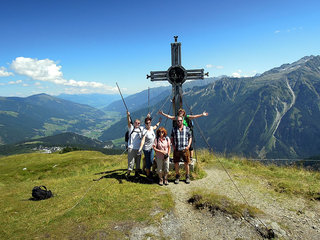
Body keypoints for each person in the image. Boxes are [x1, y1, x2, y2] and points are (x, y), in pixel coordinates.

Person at [138, 116, 161, 181]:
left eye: (149, 123)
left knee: (150, 161)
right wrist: (140, 148)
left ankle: (147, 172)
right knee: (149, 162)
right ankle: (148, 175)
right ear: (145, 124)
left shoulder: (151, 128)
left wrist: (159, 122)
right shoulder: (144, 131)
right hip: (146, 149)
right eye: (147, 123)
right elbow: (142, 140)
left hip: (152, 148)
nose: (148, 124)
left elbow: (155, 127)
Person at [171, 116, 192, 184]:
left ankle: (187, 176)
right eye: (178, 121)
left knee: (186, 163)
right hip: (177, 149)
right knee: (176, 163)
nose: (179, 122)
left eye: (180, 120)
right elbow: (172, 138)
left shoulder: (187, 128)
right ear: (176, 121)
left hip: (185, 149)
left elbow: (190, 137)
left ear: (182, 121)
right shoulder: (174, 129)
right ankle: (177, 177)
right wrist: (173, 146)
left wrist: (188, 146)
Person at [126, 111, 144, 179]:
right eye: (136, 123)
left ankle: (136, 174)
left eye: (138, 123)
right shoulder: (131, 128)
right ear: (134, 123)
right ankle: (128, 174)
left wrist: (148, 117)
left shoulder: (141, 128)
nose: (137, 124)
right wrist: (128, 116)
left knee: (138, 163)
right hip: (131, 148)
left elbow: (148, 126)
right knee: (131, 163)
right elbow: (128, 122)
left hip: (138, 149)